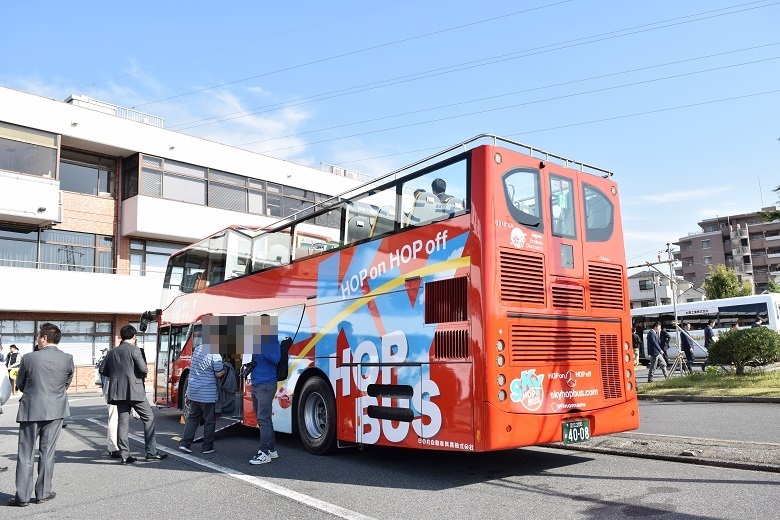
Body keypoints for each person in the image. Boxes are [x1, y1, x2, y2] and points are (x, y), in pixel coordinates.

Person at [9, 323, 74, 507]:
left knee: (25, 453)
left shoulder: (29, 358)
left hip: (31, 409)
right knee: (48, 452)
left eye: (39, 336)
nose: (38, 339)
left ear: (44, 338)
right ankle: (43, 493)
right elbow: (66, 383)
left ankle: (22, 497)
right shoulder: (68, 359)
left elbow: (20, 383)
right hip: (56, 410)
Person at [100, 325, 167, 464]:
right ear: (134, 337)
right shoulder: (135, 350)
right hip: (135, 391)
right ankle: (151, 452)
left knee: (122, 423)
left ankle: (125, 455)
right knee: (148, 418)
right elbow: (143, 370)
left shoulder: (112, 352)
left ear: (122, 336)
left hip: (118, 392)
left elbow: (103, 370)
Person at [178, 339, 225, 455]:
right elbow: (218, 373)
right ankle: (207, 446)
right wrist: (225, 369)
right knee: (210, 420)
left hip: (194, 391)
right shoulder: (214, 354)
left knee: (193, 418)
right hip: (207, 393)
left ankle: (185, 444)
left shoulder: (198, 349)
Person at [248, 314, 281, 465]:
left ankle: (264, 452)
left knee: (263, 418)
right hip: (256, 383)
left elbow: (276, 358)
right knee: (264, 418)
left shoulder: (271, 340)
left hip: (266, 384)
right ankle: (272, 449)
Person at [97, 347, 120, 459]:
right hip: (118, 390)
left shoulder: (111, 353)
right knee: (115, 418)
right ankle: (114, 447)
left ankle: (114, 446)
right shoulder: (131, 352)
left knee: (114, 417)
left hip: (109, 388)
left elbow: (102, 370)